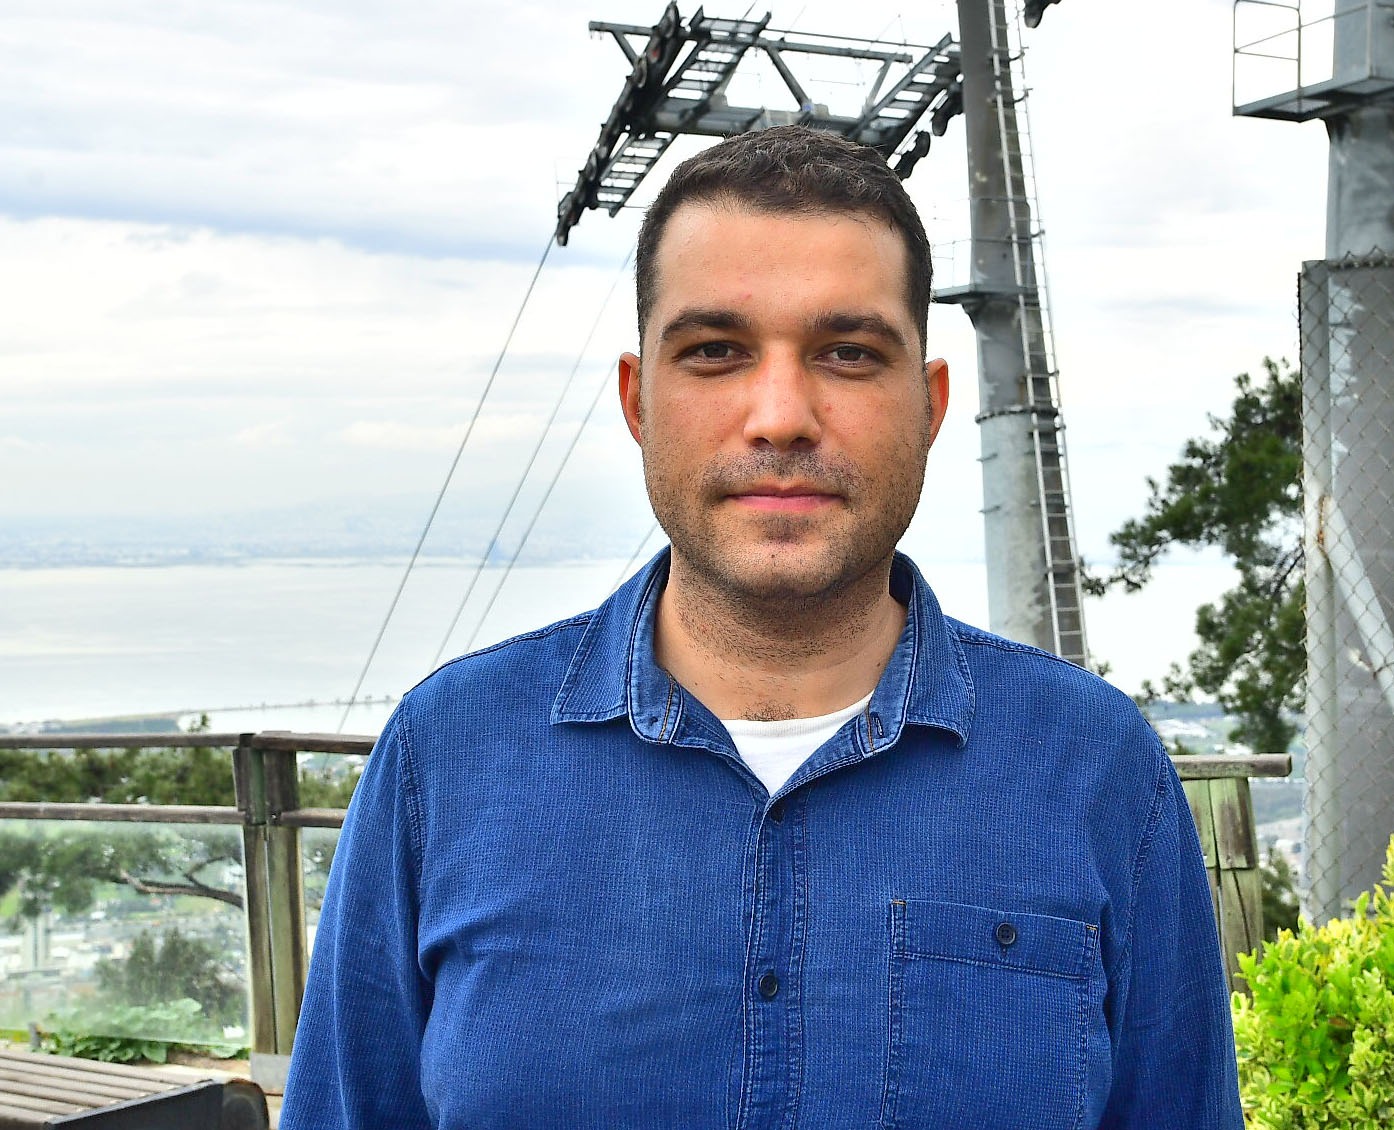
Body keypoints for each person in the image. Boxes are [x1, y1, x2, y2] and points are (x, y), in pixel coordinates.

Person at [281, 125, 1243, 1129]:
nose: (780, 415)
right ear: (638, 401)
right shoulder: (446, 756)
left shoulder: (1094, 768)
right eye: (715, 352)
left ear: (928, 407)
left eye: (847, 353)